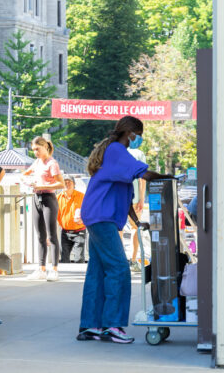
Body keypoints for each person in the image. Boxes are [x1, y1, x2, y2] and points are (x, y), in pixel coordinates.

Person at [77, 115, 172, 344]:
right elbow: (146, 174)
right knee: (119, 269)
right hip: (102, 217)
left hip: (97, 216)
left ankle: (91, 326)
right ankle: (113, 325)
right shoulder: (117, 151)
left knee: (98, 271)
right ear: (131, 133)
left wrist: (136, 223)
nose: (139, 139)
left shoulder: (111, 152)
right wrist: (170, 179)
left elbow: (124, 197)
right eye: (139, 135)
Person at [22, 136, 65, 282]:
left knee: (52, 235)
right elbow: (24, 174)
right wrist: (28, 181)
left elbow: (61, 184)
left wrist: (43, 186)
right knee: (40, 236)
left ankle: (54, 269)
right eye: (33, 150)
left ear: (45, 147)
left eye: (37, 149)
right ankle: (41, 268)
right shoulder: (37, 162)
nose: (35, 152)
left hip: (48, 199)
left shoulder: (52, 163)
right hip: (36, 198)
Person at [57, 175, 86, 263]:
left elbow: (89, 211)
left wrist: (84, 219)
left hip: (79, 231)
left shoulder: (81, 196)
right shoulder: (58, 198)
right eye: (65, 182)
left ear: (74, 184)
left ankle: (80, 276)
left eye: (69, 182)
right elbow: (54, 215)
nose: (67, 184)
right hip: (65, 232)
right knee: (64, 258)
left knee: (79, 258)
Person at [127, 147, 147, 272]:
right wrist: (142, 198)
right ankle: (133, 260)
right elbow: (142, 178)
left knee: (118, 228)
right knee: (135, 227)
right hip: (134, 198)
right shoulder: (139, 153)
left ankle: (120, 259)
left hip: (118, 196)